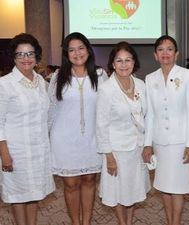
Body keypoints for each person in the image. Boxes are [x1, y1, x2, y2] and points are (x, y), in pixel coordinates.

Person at [48, 32, 108, 225]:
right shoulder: (58, 76)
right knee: (71, 183)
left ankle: (87, 221)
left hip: (92, 138)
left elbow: (107, 108)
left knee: (90, 179)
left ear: (88, 50)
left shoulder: (100, 75)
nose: (77, 53)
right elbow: (50, 108)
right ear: (66, 54)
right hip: (64, 139)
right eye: (71, 50)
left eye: (81, 48)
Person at [142, 35, 189, 225]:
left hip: (181, 142)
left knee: (178, 187)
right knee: (163, 186)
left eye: (169, 49)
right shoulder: (150, 79)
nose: (165, 53)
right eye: (161, 49)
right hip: (160, 141)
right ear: (155, 55)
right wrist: (147, 144)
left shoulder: (188, 75)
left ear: (177, 53)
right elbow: (149, 114)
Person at [0, 33, 55, 225]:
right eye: (20, 54)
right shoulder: (5, 84)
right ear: (14, 57)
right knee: (18, 196)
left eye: (30, 54)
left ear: (37, 56)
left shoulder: (41, 82)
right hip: (16, 151)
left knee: (34, 194)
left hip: (39, 149)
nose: (26, 58)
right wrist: (4, 153)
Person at [96, 42, 150, 225]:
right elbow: (101, 125)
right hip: (117, 151)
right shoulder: (106, 89)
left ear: (134, 62)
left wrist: (148, 144)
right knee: (118, 191)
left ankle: (130, 221)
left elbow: (147, 116)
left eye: (128, 60)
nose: (124, 64)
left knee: (133, 189)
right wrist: (109, 156)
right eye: (119, 61)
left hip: (137, 148)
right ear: (112, 64)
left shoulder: (142, 85)